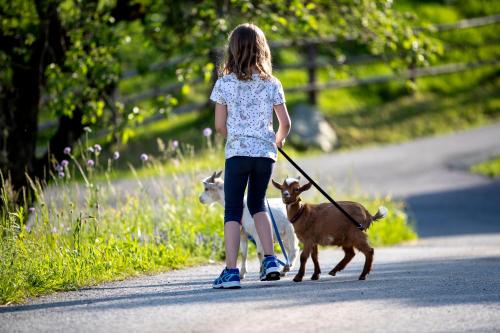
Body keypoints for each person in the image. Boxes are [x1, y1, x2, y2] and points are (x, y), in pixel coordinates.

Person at [209, 23, 291, 289]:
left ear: (232, 50)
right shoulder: (272, 83)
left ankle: (231, 272)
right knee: (258, 205)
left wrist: (235, 134)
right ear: (262, 49)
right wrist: (276, 142)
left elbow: (220, 126)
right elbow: (285, 123)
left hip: (237, 154)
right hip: (264, 155)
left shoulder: (224, 84)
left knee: (233, 210)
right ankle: (269, 261)